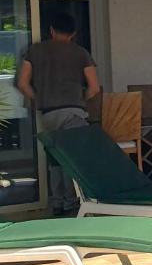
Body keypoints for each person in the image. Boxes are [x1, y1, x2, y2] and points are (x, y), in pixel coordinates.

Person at [17, 12, 100, 214]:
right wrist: (81, 100)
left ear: (51, 30)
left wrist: (39, 99)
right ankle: (72, 203)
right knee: (73, 158)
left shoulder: (35, 51)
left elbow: (22, 83)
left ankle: (57, 202)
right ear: (73, 33)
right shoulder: (81, 53)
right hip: (73, 111)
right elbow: (94, 87)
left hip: (48, 113)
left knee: (56, 158)